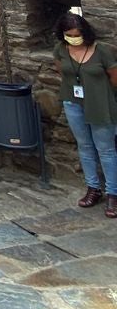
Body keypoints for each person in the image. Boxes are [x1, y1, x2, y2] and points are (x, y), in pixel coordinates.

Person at [53, 12, 117, 218]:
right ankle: (93, 188)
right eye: (69, 34)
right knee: (85, 146)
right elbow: (62, 72)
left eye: (76, 34)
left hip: (100, 104)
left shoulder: (101, 51)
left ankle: (113, 194)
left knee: (106, 149)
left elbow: (114, 77)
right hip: (73, 102)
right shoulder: (61, 49)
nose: (73, 37)